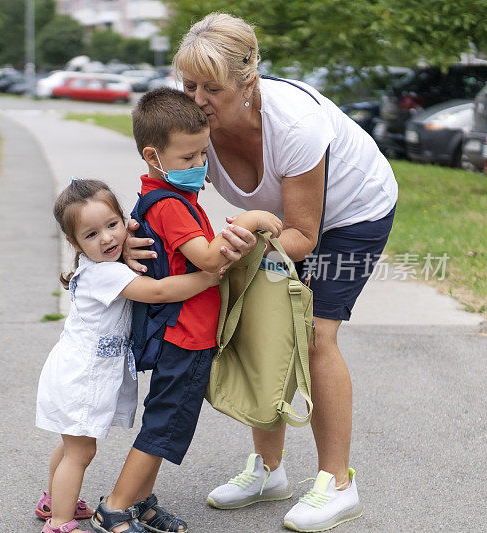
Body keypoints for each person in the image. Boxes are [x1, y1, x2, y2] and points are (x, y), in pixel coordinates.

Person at [125, 12, 397, 533]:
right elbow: (168, 197)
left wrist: (229, 252)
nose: (196, 99)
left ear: (248, 81)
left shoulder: (293, 125)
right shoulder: (194, 128)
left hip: (350, 215)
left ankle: (338, 484)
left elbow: (302, 234)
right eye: (188, 84)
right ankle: (270, 471)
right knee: (260, 330)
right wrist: (130, 241)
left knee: (315, 334)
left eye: (211, 88)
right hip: (272, 227)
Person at [91, 88, 282, 533]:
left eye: (203, 155)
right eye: (188, 158)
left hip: (185, 331)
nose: (199, 167)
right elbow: (210, 258)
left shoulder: (162, 196)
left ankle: (141, 502)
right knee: (166, 421)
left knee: (169, 422)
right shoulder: (172, 205)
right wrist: (251, 219)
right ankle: (116, 507)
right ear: (152, 156)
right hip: (185, 332)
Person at [36, 179, 226, 533]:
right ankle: (60, 523)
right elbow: (157, 291)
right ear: (74, 243)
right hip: (82, 376)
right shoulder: (105, 274)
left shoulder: (101, 266)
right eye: (92, 234)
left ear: (125, 221)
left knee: (71, 444)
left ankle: (54, 501)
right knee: (80, 452)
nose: (107, 238)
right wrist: (209, 277)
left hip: (73, 369)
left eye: (112, 225)